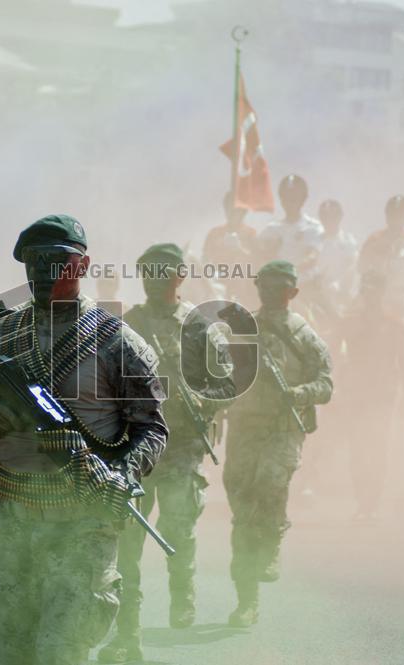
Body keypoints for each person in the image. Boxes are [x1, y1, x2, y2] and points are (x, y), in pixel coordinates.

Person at [0, 214, 168, 665]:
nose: (41, 272)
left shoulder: (116, 341)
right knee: (15, 646)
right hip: (14, 515)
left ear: (81, 266)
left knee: (63, 650)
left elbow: (151, 429)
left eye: (55, 262)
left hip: (83, 517)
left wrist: (120, 475)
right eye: (32, 261)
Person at [97, 243, 235, 664]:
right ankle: (128, 634)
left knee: (179, 528)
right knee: (127, 543)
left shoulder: (198, 328)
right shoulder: (126, 324)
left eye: (162, 272)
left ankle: (182, 592)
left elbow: (227, 386)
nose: (154, 280)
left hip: (180, 449)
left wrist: (193, 396)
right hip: (135, 448)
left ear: (179, 276)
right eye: (148, 273)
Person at [223, 260, 332, 627]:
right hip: (244, 429)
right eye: (264, 286)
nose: (269, 292)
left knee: (271, 485)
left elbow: (326, 385)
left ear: (293, 292)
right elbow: (221, 376)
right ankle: (246, 600)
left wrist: (298, 393)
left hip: (282, 431)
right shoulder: (243, 330)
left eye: (277, 286)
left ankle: (272, 540)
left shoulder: (304, 335)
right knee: (242, 513)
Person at [334, 271, 404, 520]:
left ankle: (370, 503)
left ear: (382, 292)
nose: (370, 294)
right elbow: (332, 357)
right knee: (357, 450)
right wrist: (333, 390)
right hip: (355, 394)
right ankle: (361, 500)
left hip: (383, 397)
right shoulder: (349, 322)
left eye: (375, 289)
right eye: (366, 289)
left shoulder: (397, 325)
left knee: (378, 449)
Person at [358, 195, 404, 366]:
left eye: (400, 215)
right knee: (346, 315)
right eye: (393, 214)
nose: (396, 219)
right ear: (386, 215)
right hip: (374, 293)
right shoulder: (374, 239)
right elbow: (360, 266)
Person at [256, 175, 324, 273]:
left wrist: (292, 270)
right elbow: (262, 257)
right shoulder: (271, 230)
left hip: (305, 285)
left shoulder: (314, 228)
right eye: (286, 197)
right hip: (278, 286)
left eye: (294, 197)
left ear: (303, 199)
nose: (289, 202)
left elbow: (313, 256)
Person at [202, 191, 258, 308]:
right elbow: (205, 258)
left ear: (244, 212)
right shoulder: (215, 233)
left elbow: (256, 260)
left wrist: (240, 250)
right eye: (230, 208)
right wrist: (211, 273)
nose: (233, 213)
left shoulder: (250, 234)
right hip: (218, 282)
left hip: (243, 284)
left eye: (237, 210)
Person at [314, 199, 358, 315]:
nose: (329, 220)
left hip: (341, 295)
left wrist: (341, 286)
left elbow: (352, 267)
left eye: (332, 216)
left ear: (339, 217)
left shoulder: (348, 241)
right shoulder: (314, 241)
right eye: (325, 216)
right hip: (317, 295)